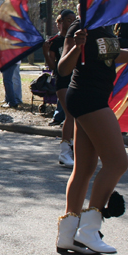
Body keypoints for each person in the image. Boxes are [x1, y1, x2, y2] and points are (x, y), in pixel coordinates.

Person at [56, 20, 128, 255]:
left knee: (85, 169)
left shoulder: (107, 28)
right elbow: (63, 69)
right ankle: (88, 230)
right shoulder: (82, 27)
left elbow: (114, 55)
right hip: (88, 98)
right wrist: (77, 46)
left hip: (92, 98)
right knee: (117, 163)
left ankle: (67, 234)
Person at [46, 9, 77, 167]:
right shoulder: (56, 41)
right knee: (70, 114)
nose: (71, 22)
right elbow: (53, 67)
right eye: (68, 19)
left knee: (79, 116)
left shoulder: (77, 39)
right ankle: (64, 152)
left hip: (77, 80)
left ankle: (74, 149)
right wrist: (46, 53)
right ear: (61, 21)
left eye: (74, 19)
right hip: (62, 81)